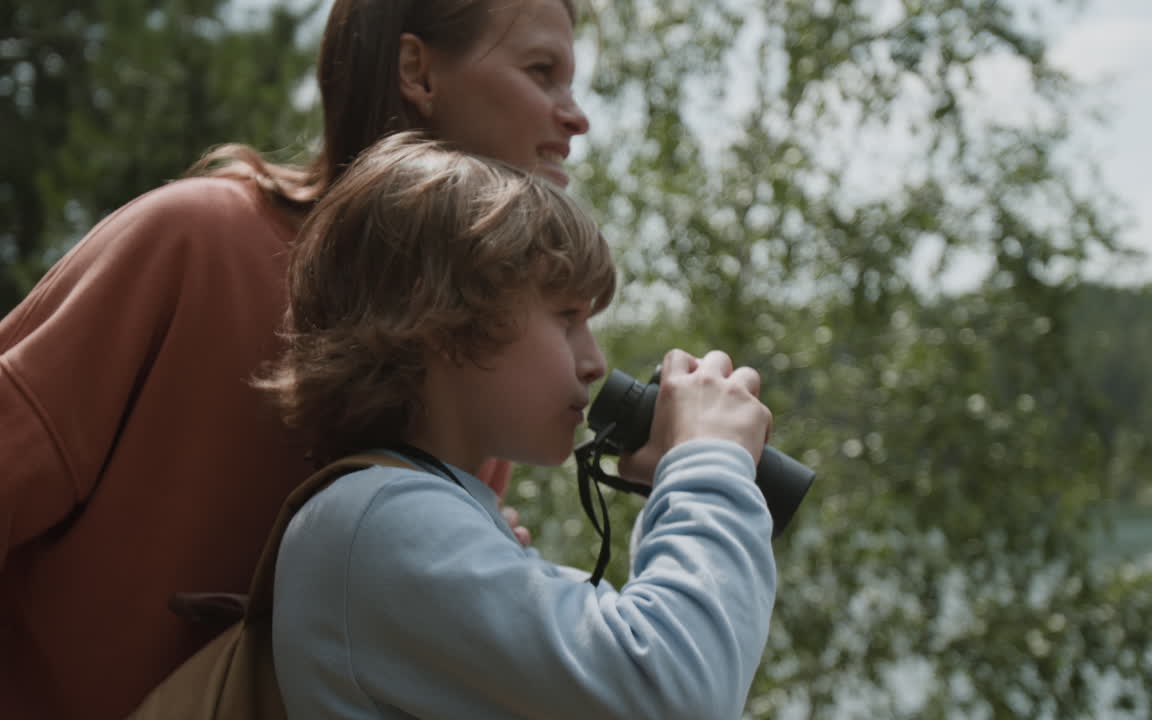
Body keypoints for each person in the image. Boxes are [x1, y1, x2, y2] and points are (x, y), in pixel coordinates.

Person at [0, 0, 589, 717]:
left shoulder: (468, 360)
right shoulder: (195, 242)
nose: (576, 116)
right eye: (542, 72)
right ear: (417, 71)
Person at [260, 132, 777, 719]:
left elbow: (638, 663)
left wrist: (676, 490)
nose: (594, 361)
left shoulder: (405, 516)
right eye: (566, 318)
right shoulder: (381, 519)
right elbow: (678, 690)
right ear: (443, 322)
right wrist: (710, 460)